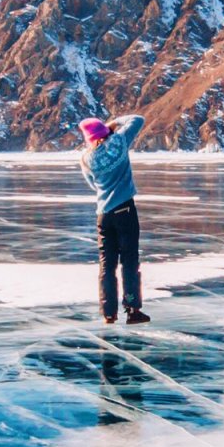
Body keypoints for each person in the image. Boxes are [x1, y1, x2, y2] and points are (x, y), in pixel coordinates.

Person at [78, 115, 150, 326]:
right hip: (125, 210)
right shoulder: (118, 142)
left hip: (103, 214)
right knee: (129, 261)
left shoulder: (85, 158)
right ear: (104, 131)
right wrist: (115, 123)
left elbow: (93, 184)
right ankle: (132, 309)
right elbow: (137, 120)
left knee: (106, 264)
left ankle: (109, 313)